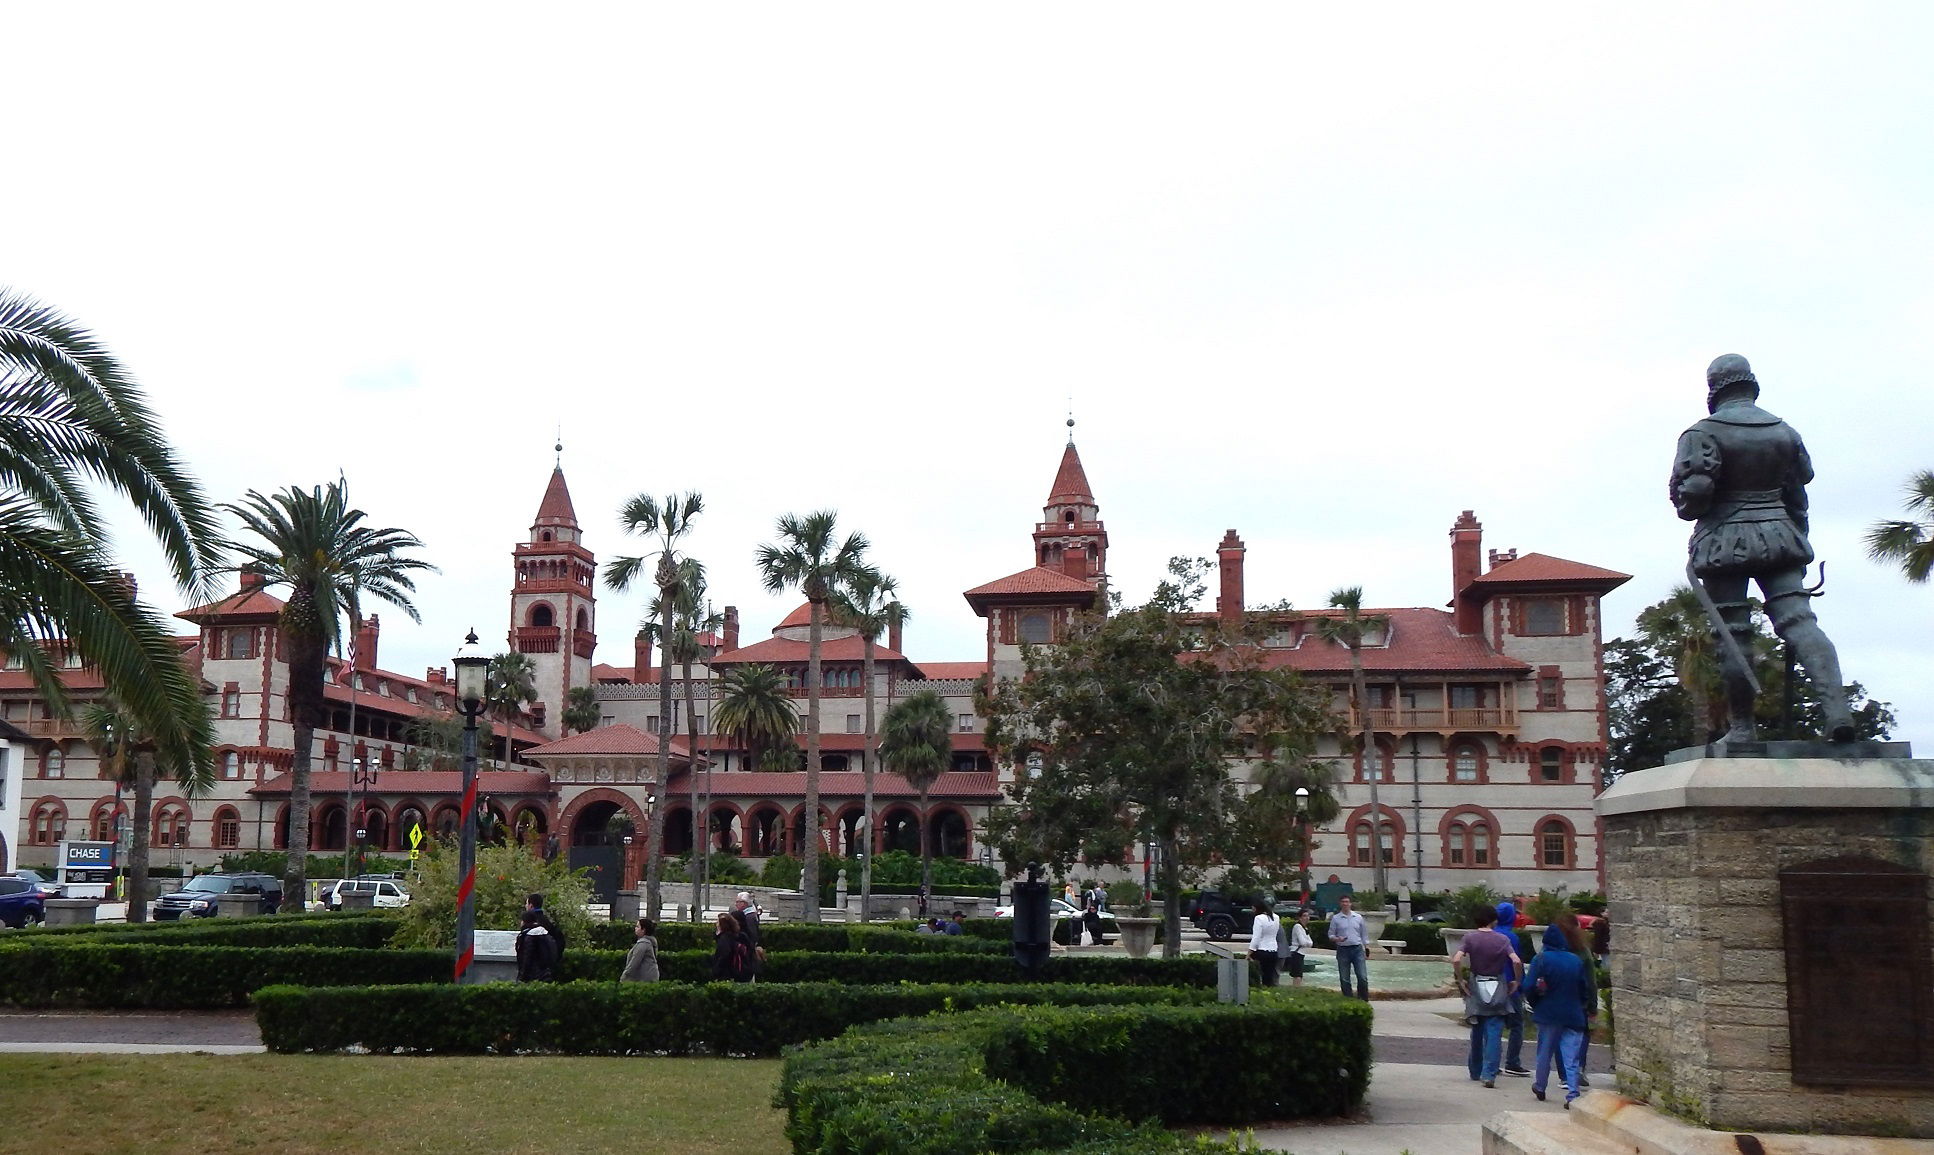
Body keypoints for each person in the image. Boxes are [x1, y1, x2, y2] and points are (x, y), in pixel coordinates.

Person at [1670, 353, 1856, 744]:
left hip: (1724, 540)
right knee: (1800, 621)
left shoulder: (1702, 432)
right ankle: (1837, 710)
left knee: (1734, 632)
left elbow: (1698, 491)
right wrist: (1798, 537)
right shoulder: (1784, 432)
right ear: (1750, 384)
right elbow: (1797, 493)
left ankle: (1742, 729)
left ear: (1713, 389)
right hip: (1779, 534)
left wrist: (1686, 504)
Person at [1524, 922, 1598, 1107]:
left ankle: (1540, 1086)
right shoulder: (1575, 960)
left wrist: (1536, 1003)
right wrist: (1584, 1005)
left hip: (1548, 1012)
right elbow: (1585, 987)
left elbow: (1528, 986)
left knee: (1545, 1052)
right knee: (1571, 1056)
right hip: (1573, 1013)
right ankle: (1573, 1092)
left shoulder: (1541, 959)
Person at [1452, 905, 1522, 1087]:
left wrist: (1460, 980)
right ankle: (1489, 1073)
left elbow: (1457, 958)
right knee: (1494, 1031)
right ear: (1494, 920)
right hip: (1498, 984)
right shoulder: (1503, 939)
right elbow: (1516, 960)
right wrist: (1516, 981)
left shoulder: (1470, 938)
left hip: (1477, 984)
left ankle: (1475, 1070)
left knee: (1477, 1028)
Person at [1495, 902, 1531, 1078]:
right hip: (1510, 986)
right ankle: (1512, 1062)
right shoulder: (1512, 937)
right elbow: (1517, 962)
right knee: (1517, 1025)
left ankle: (1492, 1062)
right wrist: (1520, 984)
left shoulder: (1491, 934)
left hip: (1493, 985)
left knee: (1494, 1025)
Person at [1328, 894, 1370, 1001]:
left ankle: (1363, 999)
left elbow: (1364, 934)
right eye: (1343, 902)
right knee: (1344, 978)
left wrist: (1367, 948)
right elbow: (1330, 935)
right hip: (1343, 950)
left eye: (1347, 901)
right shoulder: (1336, 918)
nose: (1345, 904)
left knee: (1362, 976)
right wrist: (1337, 939)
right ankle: (1348, 1000)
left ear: (1350, 903)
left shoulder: (1358, 917)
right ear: (1340, 903)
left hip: (1357, 949)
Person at [515, 909, 559, 982]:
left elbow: (527, 958)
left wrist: (522, 977)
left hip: (533, 976)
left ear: (524, 921)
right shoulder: (546, 934)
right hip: (547, 974)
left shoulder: (529, 936)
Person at [1248, 899, 1283, 988]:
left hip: (1262, 950)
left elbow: (1256, 938)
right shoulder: (1276, 917)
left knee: (1259, 974)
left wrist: (1249, 953)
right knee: (1269, 976)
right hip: (1273, 950)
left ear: (1257, 909)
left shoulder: (1259, 918)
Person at [711, 910, 751, 982]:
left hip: (726, 974)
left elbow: (724, 956)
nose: (716, 924)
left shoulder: (724, 939)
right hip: (734, 972)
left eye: (718, 922)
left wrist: (716, 971)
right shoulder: (733, 936)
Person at [621, 916, 659, 982]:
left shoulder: (643, 944)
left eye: (637, 926)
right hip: (649, 977)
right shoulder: (648, 942)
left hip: (645, 979)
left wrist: (624, 976)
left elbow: (634, 962)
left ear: (643, 930)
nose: (635, 928)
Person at [1286, 909, 1314, 987]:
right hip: (1296, 952)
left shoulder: (1305, 928)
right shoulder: (1297, 927)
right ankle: (1296, 989)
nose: (1307, 918)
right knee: (1297, 975)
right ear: (1300, 918)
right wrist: (1307, 943)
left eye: (1308, 916)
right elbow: (1302, 942)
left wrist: (1307, 943)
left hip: (1301, 953)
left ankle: (1297, 988)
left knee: (1299, 974)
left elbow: (1310, 943)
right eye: (1304, 916)